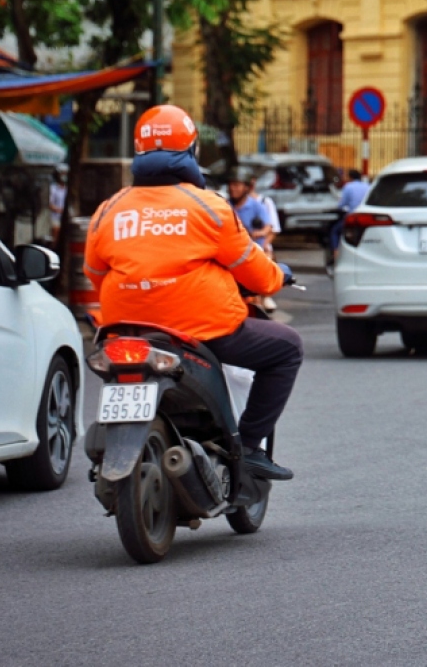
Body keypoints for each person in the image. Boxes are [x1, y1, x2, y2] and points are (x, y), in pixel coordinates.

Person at [84, 105, 300, 482]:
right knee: (287, 347)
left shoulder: (108, 210)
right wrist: (279, 275)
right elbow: (258, 275)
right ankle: (248, 447)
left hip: (125, 332)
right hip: (202, 332)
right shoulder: (210, 207)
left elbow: (95, 275)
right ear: (191, 150)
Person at [227, 167, 281, 312]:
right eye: (231, 185)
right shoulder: (225, 205)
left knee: (266, 259)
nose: (233, 189)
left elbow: (268, 227)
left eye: (237, 185)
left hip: (253, 250)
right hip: (231, 251)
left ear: (246, 187)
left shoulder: (257, 205)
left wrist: (260, 233)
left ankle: (265, 293)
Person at [48, 166, 68, 246]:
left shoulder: (67, 189)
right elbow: (51, 205)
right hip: (56, 217)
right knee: (56, 232)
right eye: (62, 174)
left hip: (66, 217)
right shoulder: (53, 189)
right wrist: (60, 210)